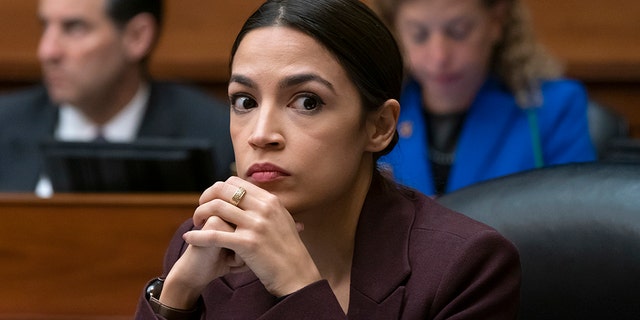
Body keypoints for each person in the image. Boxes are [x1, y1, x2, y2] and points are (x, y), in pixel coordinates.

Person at [134, 0, 521, 318]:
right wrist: (177, 296)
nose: (261, 134)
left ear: (379, 126)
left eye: (307, 102)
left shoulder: (465, 267)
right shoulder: (203, 242)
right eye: (246, 102)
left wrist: (299, 288)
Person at [0, 0, 234, 195]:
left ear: (137, 37)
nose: (47, 51)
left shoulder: (217, 136)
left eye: (74, 28)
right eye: (45, 26)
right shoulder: (5, 124)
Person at [371, 0, 596, 196]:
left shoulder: (554, 107)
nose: (439, 56)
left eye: (459, 31)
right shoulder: (376, 109)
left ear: (497, 21)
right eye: (419, 35)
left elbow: (574, 219)